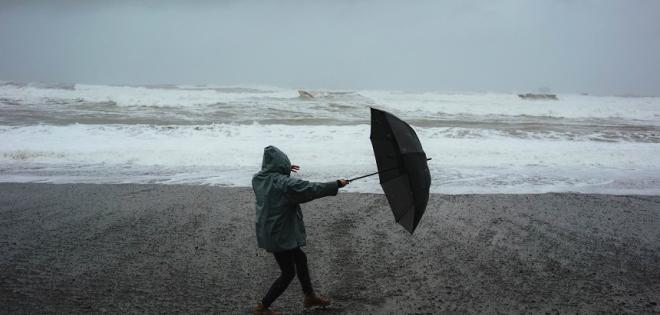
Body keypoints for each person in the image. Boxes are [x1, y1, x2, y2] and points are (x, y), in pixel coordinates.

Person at [252, 146, 349, 315]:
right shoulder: (283, 183)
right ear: (281, 164)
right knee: (288, 272)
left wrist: (283, 170)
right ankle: (262, 307)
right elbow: (309, 189)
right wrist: (336, 184)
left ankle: (309, 296)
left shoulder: (259, 179)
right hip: (279, 234)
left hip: (270, 230)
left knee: (300, 258)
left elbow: (274, 179)